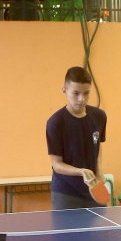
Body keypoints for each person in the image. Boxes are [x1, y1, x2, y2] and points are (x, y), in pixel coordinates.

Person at [46, 67, 107, 210]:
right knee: (68, 233)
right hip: (66, 195)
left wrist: (99, 171)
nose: (82, 99)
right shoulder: (55, 122)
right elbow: (57, 164)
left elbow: (97, 145)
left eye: (86, 93)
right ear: (64, 91)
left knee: (102, 232)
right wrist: (81, 171)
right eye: (76, 93)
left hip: (95, 190)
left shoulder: (99, 116)